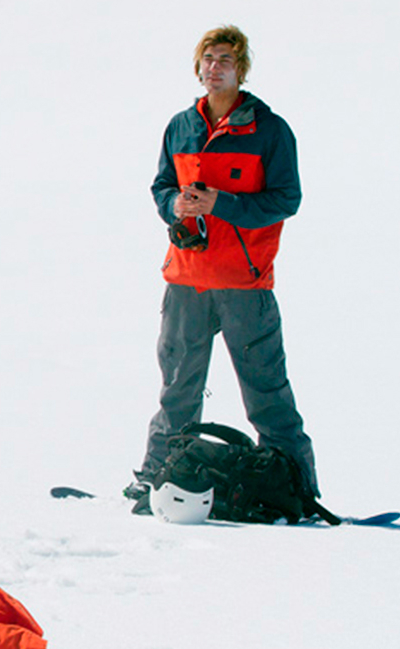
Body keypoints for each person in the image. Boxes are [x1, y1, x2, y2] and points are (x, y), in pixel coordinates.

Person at [129, 26, 318, 509]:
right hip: (186, 281)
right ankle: (157, 479)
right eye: (208, 59)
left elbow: (286, 199)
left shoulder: (270, 130)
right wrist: (177, 206)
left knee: (266, 391)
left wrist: (220, 203)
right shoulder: (180, 126)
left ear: (241, 69)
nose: (215, 68)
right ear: (199, 66)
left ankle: (296, 485)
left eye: (226, 61)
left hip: (244, 282)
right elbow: (160, 187)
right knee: (177, 389)